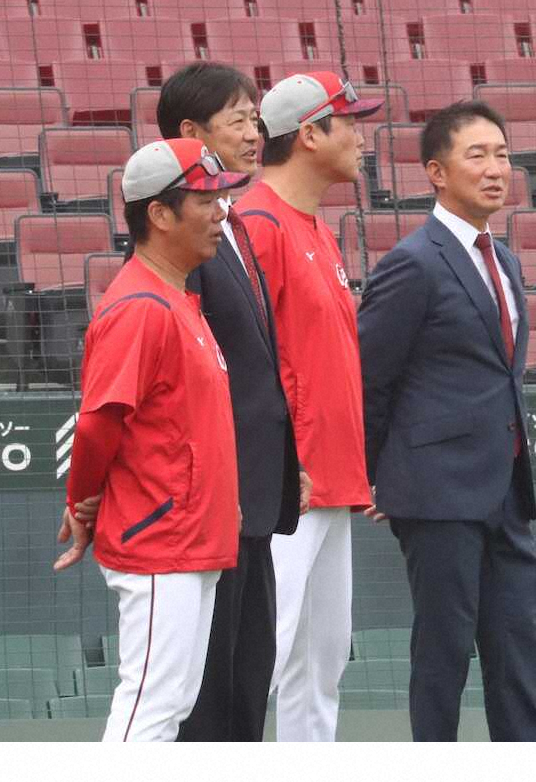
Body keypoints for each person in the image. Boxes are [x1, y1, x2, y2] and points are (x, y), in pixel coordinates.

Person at [358, 101, 536, 742]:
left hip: (507, 487)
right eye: (478, 155)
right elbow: (370, 377)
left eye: (502, 154)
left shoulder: (507, 261)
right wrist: (374, 474)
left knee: (518, 646)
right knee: (443, 652)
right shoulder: (412, 263)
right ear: (436, 172)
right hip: (436, 492)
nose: (496, 168)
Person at [54, 137, 248, 742]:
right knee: (149, 712)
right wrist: (80, 501)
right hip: (161, 540)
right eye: (206, 200)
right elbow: (97, 423)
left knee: (170, 706)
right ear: (160, 214)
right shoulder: (139, 306)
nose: (221, 212)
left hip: (190, 537)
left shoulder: (175, 297)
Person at [156, 62, 310, 743]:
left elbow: (255, 373)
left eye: (256, 118)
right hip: (211, 503)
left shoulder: (233, 226)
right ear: (191, 133)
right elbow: (191, 377)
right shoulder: (182, 244)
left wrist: (283, 462)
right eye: (239, 120)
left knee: (248, 676)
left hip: (253, 496)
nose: (256, 132)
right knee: (208, 689)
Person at [235, 71, 383, 742]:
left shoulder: (317, 228)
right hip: (284, 484)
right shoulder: (255, 225)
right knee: (257, 661)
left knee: (319, 669)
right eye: (349, 122)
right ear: (309, 134)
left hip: (330, 479)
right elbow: (241, 367)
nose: (361, 137)